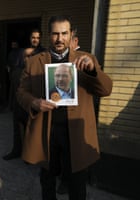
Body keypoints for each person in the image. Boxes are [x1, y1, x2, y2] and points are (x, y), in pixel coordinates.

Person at [17, 15, 112, 200]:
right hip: (47, 130)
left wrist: (93, 71)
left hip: (75, 133)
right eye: (55, 34)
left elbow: (106, 89)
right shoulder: (34, 62)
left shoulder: (86, 60)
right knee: (47, 180)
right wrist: (33, 102)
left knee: (77, 183)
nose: (59, 39)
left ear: (71, 35)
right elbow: (21, 92)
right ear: (48, 36)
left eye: (64, 33)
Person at [3, 30, 46, 161]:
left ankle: (29, 154)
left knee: (31, 127)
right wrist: (23, 54)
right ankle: (16, 150)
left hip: (34, 96)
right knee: (17, 124)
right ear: (30, 38)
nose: (35, 40)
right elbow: (13, 66)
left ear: (41, 39)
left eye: (37, 38)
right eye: (33, 37)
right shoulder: (21, 52)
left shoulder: (44, 53)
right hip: (20, 94)